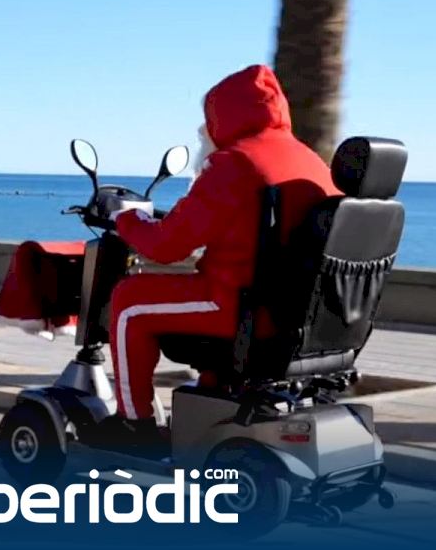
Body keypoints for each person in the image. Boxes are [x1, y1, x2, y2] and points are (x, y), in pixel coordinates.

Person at [95, 64, 341, 454]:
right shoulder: (309, 160)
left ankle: (133, 422)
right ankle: (211, 395)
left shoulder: (234, 163)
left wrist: (125, 219)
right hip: (297, 315)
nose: (203, 130)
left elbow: (165, 246)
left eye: (207, 120)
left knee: (129, 300)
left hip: (240, 307)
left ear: (224, 116)